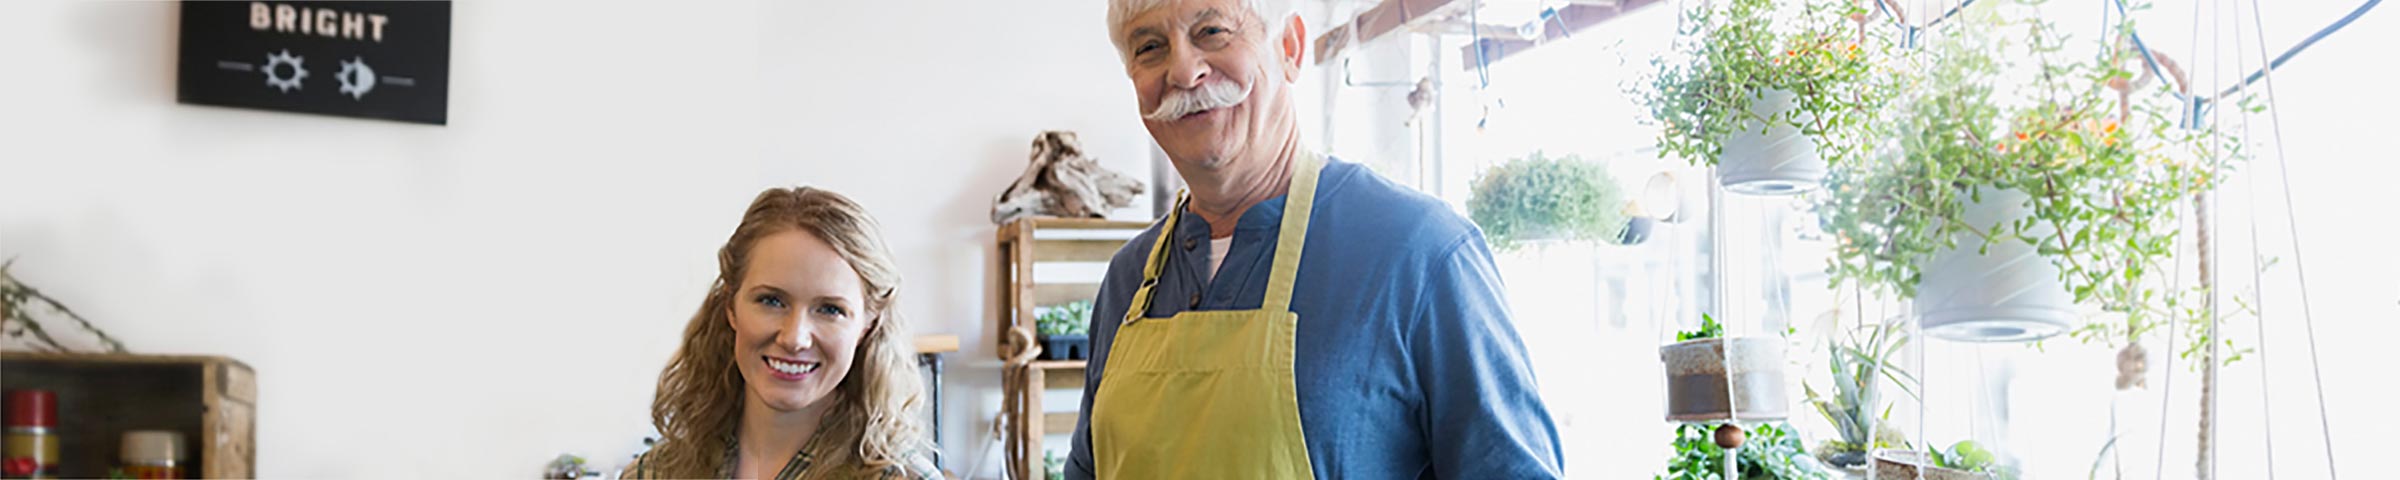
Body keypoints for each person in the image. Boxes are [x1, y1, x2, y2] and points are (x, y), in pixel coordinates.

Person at [1067, 0, 1566, 478]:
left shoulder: (1421, 253)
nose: (1183, 71)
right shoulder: (1129, 279)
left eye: (1212, 31)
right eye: (1149, 47)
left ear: (1289, 46)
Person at [627, 187, 936, 479]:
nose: (794, 338)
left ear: (866, 326)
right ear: (730, 308)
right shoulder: (652, 474)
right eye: (771, 301)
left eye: (830, 309)